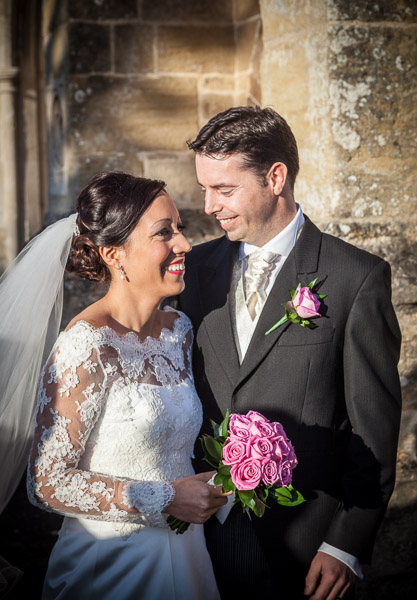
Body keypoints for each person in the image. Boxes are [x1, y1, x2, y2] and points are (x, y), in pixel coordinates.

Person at [174, 106, 402, 599]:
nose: (209, 206)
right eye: (204, 189)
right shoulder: (194, 272)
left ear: (275, 177)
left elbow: (375, 432)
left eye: (225, 189)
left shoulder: (355, 278)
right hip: (196, 539)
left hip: (304, 544)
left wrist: (344, 545)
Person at [1, 171, 229, 599]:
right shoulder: (86, 344)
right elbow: (46, 482)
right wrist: (163, 500)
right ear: (113, 254)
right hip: (112, 567)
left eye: (179, 229)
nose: (184, 244)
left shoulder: (179, 330)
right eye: (165, 233)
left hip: (189, 554)